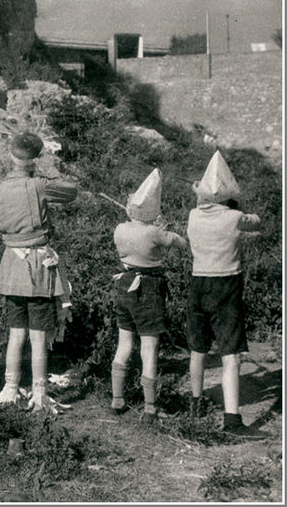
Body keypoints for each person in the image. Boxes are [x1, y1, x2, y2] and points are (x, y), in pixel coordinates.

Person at [0, 132, 78, 412]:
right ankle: (39, 393)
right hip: (37, 266)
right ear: (34, 160)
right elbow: (71, 192)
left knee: (16, 334)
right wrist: (44, 172)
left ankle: (10, 387)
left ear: (11, 157)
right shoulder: (39, 186)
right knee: (39, 336)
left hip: (11, 265)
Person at [185, 151, 264, 437]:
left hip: (198, 283)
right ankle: (232, 421)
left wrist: (200, 194)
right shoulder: (235, 217)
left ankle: (195, 403)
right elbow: (256, 222)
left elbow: (201, 203)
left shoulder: (193, 216)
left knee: (198, 347)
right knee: (231, 354)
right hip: (226, 285)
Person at [109, 168, 187, 422]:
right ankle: (150, 406)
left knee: (124, 343)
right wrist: (163, 228)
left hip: (125, 283)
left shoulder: (120, 229)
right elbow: (180, 243)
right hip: (149, 287)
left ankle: (117, 399)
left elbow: (135, 227)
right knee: (149, 348)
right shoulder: (155, 232)